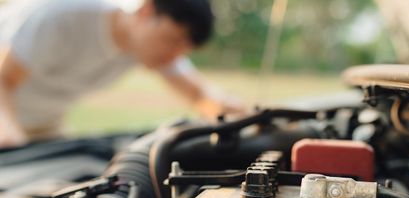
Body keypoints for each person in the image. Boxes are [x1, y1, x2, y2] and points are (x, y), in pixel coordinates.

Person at [0, 0, 245, 148]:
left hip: (40, 125)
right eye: (172, 41)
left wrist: (251, 116)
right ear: (146, 11)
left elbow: (200, 95)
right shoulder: (64, 15)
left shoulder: (148, 48)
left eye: (183, 50)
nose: (173, 56)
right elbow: (4, 78)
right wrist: (8, 133)